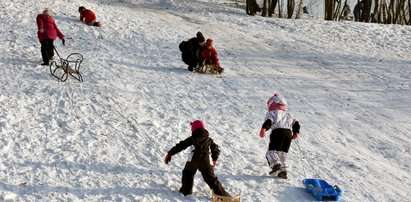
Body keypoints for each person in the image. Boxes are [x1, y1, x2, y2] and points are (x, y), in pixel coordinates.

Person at [164, 120, 230, 197]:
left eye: (192, 128)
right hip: (205, 161)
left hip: (194, 159)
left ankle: (186, 191)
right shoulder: (209, 139)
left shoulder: (192, 138)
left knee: (188, 173)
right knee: (211, 179)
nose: (191, 129)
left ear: (194, 128)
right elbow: (215, 149)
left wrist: (170, 153)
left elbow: (181, 145)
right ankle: (223, 196)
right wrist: (214, 159)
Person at [259, 93, 300, 179]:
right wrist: (296, 132)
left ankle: (276, 164)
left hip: (277, 133)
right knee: (282, 153)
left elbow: (269, 121)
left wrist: (264, 129)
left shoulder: (272, 113)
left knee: (271, 152)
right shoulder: (288, 114)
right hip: (288, 134)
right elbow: (296, 123)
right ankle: (283, 171)